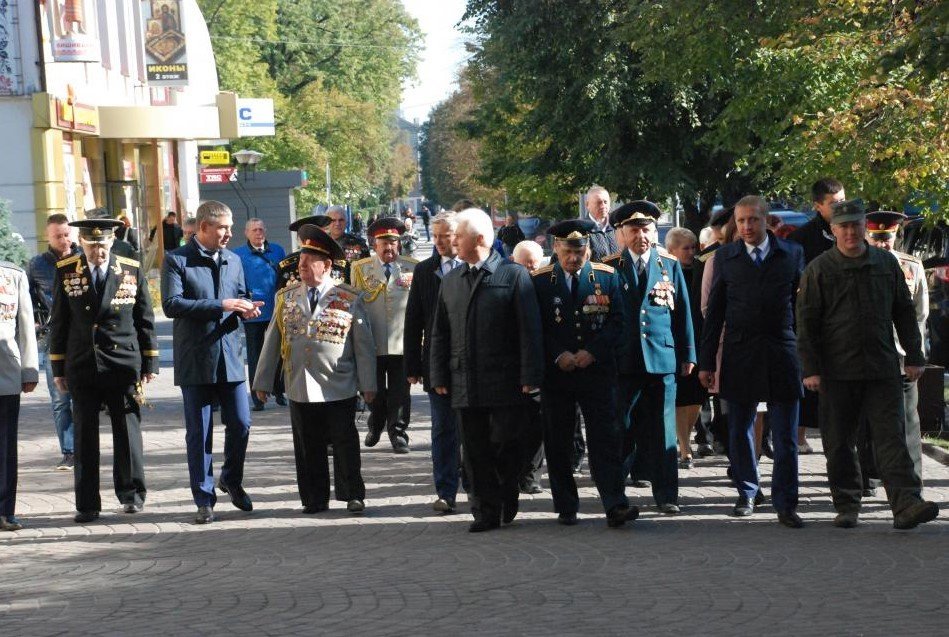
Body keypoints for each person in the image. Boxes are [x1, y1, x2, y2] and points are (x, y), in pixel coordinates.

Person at [796, 200, 938, 530]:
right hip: (837, 369)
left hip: (881, 365)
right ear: (834, 230)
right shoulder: (819, 269)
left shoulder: (886, 263)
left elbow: (904, 312)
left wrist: (914, 356)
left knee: (892, 438)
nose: (850, 232)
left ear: (863, 227)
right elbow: (807, 323)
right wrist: (811, 368)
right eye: (843, 226)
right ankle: (847, 503)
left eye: (855, 225)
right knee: (839, 441)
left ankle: (905, 503)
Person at [430, 208, 543, 532]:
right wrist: (438, 375)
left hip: (505, 382)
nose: (453, 240)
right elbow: (440, 333)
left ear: (479, 239)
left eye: (459, 235)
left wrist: (530, 376)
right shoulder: (451, 280)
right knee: (474, 450)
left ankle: (507, 493)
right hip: (464, 380)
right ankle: (484, 511)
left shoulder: (512, 275)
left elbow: (529, 330)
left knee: (506, 444)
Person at [254, 225, 376, 514]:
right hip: (300, 382)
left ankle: (352, 493)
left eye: (309, 262)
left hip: (338, 382)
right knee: (307, 444)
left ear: (327, 265)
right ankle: (314, 497)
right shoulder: (286, 297)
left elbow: (363, 346)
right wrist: (262, 381)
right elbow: (272, 340)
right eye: (301, 261)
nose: (302, 266)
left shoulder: (348, 297)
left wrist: (368, 384)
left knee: (344, 441)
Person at [699, 196, 805, 527]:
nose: (746, 226)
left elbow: (803, 310)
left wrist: (808, 358)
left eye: (753, 220)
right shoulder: (725, 257)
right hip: (740, 351)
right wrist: (707, 362)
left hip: (781, 351)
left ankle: (786, 502)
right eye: (741, 220)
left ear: (766, 220)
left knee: (785, 435)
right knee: (739, 427)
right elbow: (714, 313)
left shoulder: (791, 254)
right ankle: (747, 491)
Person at [49, 219, 159, 523]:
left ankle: (131, 494)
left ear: (112, 242)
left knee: (127, 431)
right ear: (82, 244)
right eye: (92, 246)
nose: (98, 252)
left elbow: (144, 318)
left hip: (122, 363)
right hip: (83, 363)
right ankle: (87, 504)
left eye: (103, 246)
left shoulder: (130, 269)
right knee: (84, 436)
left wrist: (149, 361)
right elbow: (59, 321)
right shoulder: (67, 270)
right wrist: (58, 367)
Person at [160, 201, 263, 525]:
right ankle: (204, 498)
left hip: (230, 357)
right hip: (196, 359)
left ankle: (230, 479)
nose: (229, 234)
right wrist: (222, 305)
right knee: (199, 433)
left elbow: (241, 295)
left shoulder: (233, 259)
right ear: (204, 227)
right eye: (223, 228)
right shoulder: (177, 260)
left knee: (241, 423)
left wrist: (247, 308)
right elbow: (172, 304)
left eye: (230, 227)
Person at [532, 219, 637, 527]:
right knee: (559, 441)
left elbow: (619, 322)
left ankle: (615, 504)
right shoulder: (540, 281)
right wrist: (558, 354)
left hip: (597, 372)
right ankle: (566, 505)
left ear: (588, 249)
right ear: (556, 248)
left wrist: (593, 352)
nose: (574, 257)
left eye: (579, 251)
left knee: (606, 439)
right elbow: (535, 326)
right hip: (558, 375)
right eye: (568, 251)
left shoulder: (607, 277)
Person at [604, 200, 695, 514]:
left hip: (661, 359)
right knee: (621, 429)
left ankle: (667, 495)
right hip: (624, 361)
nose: (640, 235)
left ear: (655, 232)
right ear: (622, 233)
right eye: (633, 230)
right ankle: (616, 497)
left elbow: (682, 313)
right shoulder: (610, 267)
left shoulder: (668, 264)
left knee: (664, 430)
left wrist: (688, 353)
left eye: (646, 229)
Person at [859, 210, 929, 494]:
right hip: (867, 356)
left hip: (901, 357)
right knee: (867, 420)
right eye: (876, 238)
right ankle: (869, 477)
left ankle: (913, 482)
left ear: (896, 236)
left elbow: (920, 315)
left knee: (909, 421)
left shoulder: (911, 266)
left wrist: (916, 355)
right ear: (866, 236)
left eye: (887, 238)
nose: (882, 244)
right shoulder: (856, 265)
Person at [404, 212, 463, 511]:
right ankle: (446, 491)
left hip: (471, 363)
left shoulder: (472, 266)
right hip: (436, 363)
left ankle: (476, 487)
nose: (438, 242)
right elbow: (413, 319)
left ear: (458, 235)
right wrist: (412, 365)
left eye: (445, 236)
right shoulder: (425, 270)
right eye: (435, 235)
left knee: (472, 428)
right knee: (442, 428)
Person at [789, 178, 847, 454]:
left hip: (846, 323)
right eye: (834, 204)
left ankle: (843, 442)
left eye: (843, 201)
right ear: (818, 206)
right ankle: (800, 437)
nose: (840, 208)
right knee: (809, 384)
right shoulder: (801, 240)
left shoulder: (853, 231)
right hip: (813, 321)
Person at [351, 218, 417, 453]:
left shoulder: (412, 267)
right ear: (374, 244)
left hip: (401, 342)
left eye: (393, 243)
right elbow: (355, 305)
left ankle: (398, 433)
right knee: (373, 391)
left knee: (400, 393)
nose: (389, 248)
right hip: (371, 342)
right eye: (384, 243)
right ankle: (376, 422)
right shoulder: (360, 268)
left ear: (399, 244)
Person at [27, 214, 79, 470]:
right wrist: (36, 322)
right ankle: (69, 452)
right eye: (58, 236)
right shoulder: (37, 264)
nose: (63, 240)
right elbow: (28, 298)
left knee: (83, 398)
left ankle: (85, 447)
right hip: (53, 339)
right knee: (60, 399)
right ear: (48, 236)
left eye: (66, 234)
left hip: (82, 338)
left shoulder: (83, 258)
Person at [232, 218, 287, 411]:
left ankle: (280, 391)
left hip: (276, 310)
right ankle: (258, 397)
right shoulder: (238, 254)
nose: (258, 233)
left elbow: (285, 278)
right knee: (255, 356)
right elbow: (236, 282)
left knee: (280, 353)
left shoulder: (278, 251)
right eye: (254, 230)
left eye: (261, 229)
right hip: (253, 312)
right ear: (246, 233)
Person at [0, 260, 39, 531]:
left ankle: (4, 511)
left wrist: (30, 370)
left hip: (5, 372)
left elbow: (25, 324)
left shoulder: (12, 275)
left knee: (4, 446)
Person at [664, 227, 707, 468]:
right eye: (686, 248)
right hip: (678, 340)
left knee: (698, 396)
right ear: (671, 250)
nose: (691, 252)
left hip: (701, 339)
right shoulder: (666, 272)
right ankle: (684, 448)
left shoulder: (701, 270)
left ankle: (686, 437)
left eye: (694, 247)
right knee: (682, 397)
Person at [511, 240, 547, 493]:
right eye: (525, 265)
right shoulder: (506, 285)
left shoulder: (546, 286)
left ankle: (532, 474)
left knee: (536, 424)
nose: (530, 271)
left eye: (534, 266)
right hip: (513, 367)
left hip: (541, 366)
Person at [277, 215, 335, 291]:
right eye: (305, 235)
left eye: (316, 235)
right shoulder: (288, 265)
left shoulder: (336, 264)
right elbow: (283, 295)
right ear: (298, 238)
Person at [327, 205, 370, 284]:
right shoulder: (319, 243)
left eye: (341, 220)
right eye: (333, 220)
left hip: (351, 289)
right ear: (327, 223)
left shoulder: (359, 244)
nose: (337, 223)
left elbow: (368, 272)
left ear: (346, 222)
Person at [585, 185, 618, 261]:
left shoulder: (618, 226)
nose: (603, 206)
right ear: (587, 205)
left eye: (605, 202)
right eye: (599, 203)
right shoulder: (582, 230)